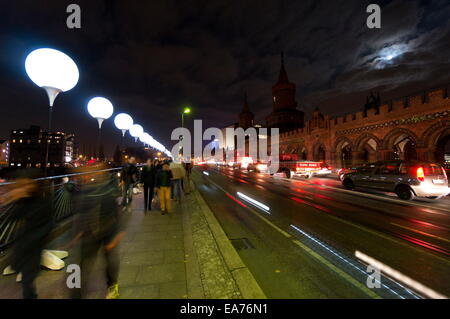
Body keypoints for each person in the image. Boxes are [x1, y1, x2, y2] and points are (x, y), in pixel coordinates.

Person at [71, 167, 127, 299]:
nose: (93, 175)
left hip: (108, 230)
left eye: (97, 172)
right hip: (90, 232)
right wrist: (78, 232)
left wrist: (118, 233)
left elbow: (117, 211)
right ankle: (75, 293)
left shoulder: (110, 190)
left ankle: (112, 285)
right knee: (81, 264)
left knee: (110, 262)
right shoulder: (86, 191)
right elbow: (81, 212)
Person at [1, 175, 53, 299]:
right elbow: (13, 216)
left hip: (33, 245)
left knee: (27, 278)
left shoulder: (43, 202)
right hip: (24, 244)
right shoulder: (26, 200)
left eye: (28, 184)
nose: (26, 187)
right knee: (26, 276)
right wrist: (13, 199)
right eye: (23, 185)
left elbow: (48, 224)